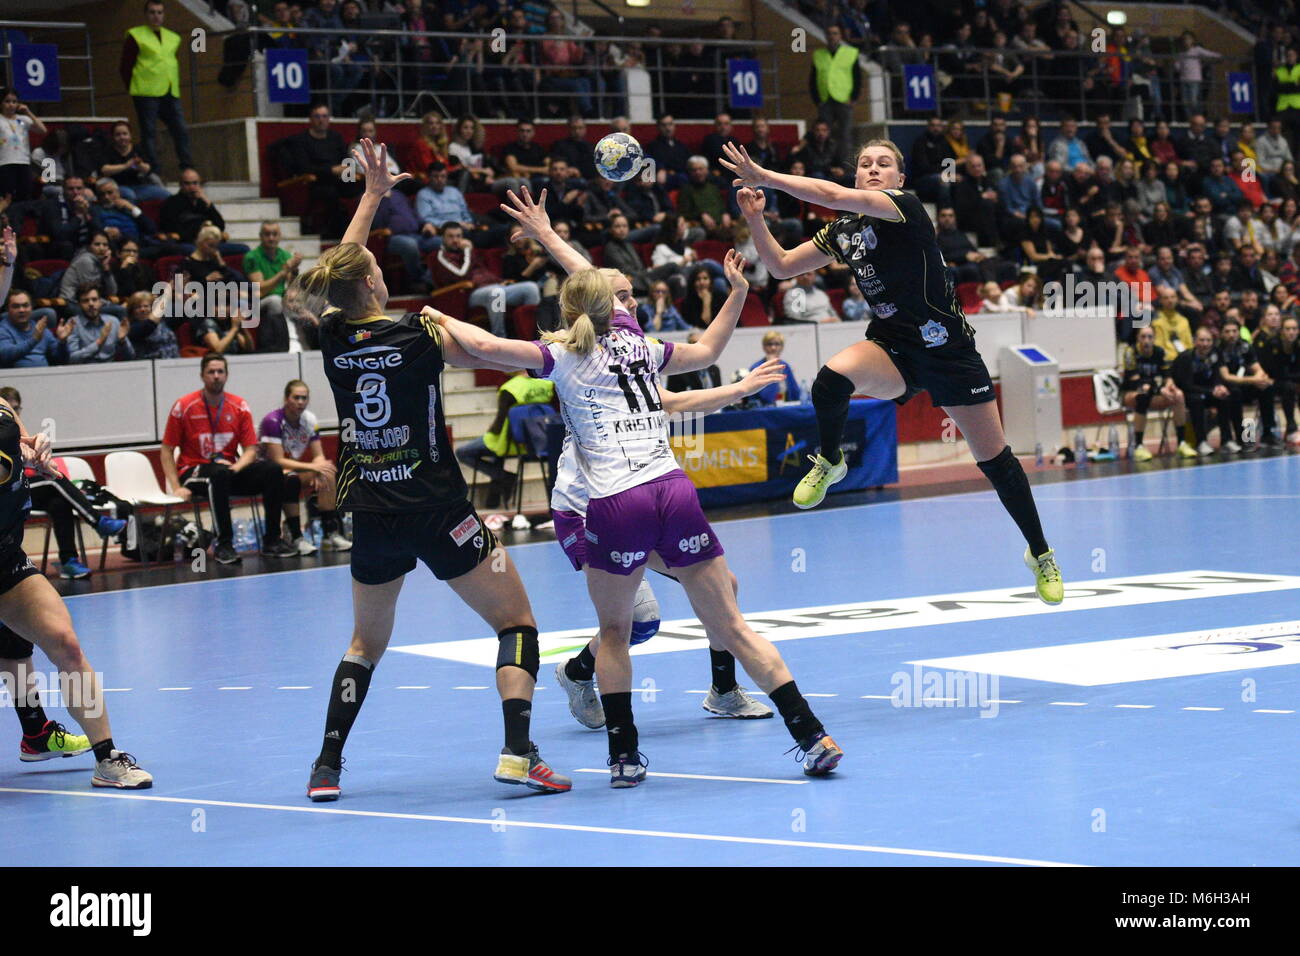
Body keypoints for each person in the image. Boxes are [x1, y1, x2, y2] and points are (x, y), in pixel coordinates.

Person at [433, 239, 844, 784]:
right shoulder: (640, 347)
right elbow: (708, 351)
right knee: (733, 624)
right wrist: (739, 292)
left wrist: (435, 314)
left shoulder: (560, 356)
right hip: (671, 491)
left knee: (616, 631)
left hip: (615, 502)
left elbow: (482, 346)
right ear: (616, 308)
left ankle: (624, 756)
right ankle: (811, 735)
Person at [287, 140, 571, 801]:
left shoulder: (333, 338)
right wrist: (560, 352)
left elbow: (336, 278)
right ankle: (518, 751)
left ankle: (326, 766)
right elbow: (502, 355)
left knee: (365, 642)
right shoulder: (422, 332)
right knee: (518, 624)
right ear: (374, 284)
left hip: (373, 514)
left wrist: (370, 196)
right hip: (441, 511)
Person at [720, 137, 1064, 604]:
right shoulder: (843, 231)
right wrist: (756, 218)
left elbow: (834, 196)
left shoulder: (905, 205)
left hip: (949, 352)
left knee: (996, 462)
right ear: (857, 173)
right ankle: (831, 461)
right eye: (865, 164)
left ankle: (1040, 553)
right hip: (894, 347)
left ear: (898, 178)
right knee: (831, 379)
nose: (874, 169)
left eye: (884, 164)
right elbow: (780, 267)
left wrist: (767, 176)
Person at [0, 247, 151, 784]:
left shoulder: (2, 410)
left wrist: (32, 446)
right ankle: (35, 731)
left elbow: (18, 442)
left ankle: (107, 757)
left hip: (4, 562)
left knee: (65, 644)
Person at [159, 353, 297, 564]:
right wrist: (176, 486)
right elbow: (167, 450)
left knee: (272, 469)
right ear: (202, 376)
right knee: (219, 475)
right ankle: (223, 544)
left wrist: (236, 468)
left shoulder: (239, 405)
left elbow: (250, 449)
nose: (216, 376)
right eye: (211, 372)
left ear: (226, 375)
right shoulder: (184, 406)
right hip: (194, 471)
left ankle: (272, 540)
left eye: (220, 372)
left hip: (228, 470)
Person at [259, 379, 350, 555]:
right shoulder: (273, 421)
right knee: (290, 479)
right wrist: (313, 467)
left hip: (295, 469)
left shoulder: (309, 419)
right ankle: (296, 537)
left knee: (328, 473)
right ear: (287, 399)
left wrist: (319, 470)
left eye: (304, 398)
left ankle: (330, 533)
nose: (301, 402)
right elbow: (278, 460)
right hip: (270, 473)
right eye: (296, 397)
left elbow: (319, 456)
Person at [456, 371, 556, 511]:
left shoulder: (509, 388)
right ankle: (497, 492)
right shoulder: (546, 384)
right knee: (496, 456)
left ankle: (504, 476)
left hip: (508, 442)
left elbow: (499, 424)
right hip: (537, 442)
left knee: (462, 452)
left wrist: (489, 432)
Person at [119, 0, 193, 177]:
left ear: (164, 15)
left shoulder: (173, 37)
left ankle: (187, 166)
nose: (156, 16)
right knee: (149, 132)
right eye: (152, 12)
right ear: (146, 15)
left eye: (159, 12)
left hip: (169, 90)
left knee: (180, 129)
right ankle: (153, 169)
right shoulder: (136, 35)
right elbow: (126, 65)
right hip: (145, 91)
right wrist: (132, 86)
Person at [1121, 325, 1191, 461]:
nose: (1146, 340)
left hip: (1154, 392)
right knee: (1143, 396)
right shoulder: (1130, 352)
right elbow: (1137, 382)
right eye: (1143, 337)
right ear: (1137, 338)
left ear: (1154, 339)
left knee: (1179, 395)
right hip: (1130, 393)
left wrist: (1170, 386)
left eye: (1150, 337)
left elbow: (1167, 375)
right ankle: (1138, 446)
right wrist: (1159, 390)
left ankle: (1181, 443)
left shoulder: (1159, 352)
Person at [1171, 326, 1238, 456]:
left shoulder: (1216, 354)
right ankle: (1201, 442)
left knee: (1225, 397)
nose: (1205, 344)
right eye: (1202, 340)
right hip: (1189, 394)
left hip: (1208, 392)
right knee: (1197, 399)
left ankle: (1227, 440)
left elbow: (1218, 375)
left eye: (1208, 340)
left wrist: (1219, 387)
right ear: (1195, 341)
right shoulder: (1185, 358)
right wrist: (1211, 391)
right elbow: (1187, 385)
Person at [243, 221, 304, 352]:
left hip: (281, 300)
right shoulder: (252, 257)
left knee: (308, 299)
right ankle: (282, 348)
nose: (271, 238)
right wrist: (284, 271)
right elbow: (261, 289)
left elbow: (291, 286)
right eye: (267, 234)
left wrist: (293, 270)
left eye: (274, 234)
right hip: (258, 302)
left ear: (280, 236)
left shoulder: (285, 255)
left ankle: (312, 346)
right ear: (260, 236)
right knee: (275, 301)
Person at [1217, 316, 1269, 452]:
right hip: (1225, 387)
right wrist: (1253, 380)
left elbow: (1257, 368)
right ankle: (1241, 439)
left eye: (1234, 331)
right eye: (1227, 332)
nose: (1231, 335)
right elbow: (1226, 376)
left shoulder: (1245, 346)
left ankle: (1268, 434)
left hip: (1244, 384)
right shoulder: (1218, 349)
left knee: (1266, 389)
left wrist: (1262, 378)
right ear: (1221, 333)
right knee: (1235, 393)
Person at [96, 120, 169, 203]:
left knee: (165, 194)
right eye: (118, 135)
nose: (122, 137)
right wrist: (126, 165)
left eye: (125, 134)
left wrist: (140, 165)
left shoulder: (138, 149)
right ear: (113, 137)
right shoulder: (108, 150)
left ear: (130, 135)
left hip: (139, 186)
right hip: (117, 187)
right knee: (129, 195)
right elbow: (104, 170)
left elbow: (148, 169)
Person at [0, 289, 68, 368]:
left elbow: (60, 359)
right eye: (16, 306)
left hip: (44, 376)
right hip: (14, 377)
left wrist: (62, 342)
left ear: (31, 308)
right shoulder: (3, 329)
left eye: (25, 306)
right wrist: (34, 340)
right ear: (7, 309)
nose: (21, 310)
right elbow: (5, 355)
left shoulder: (41, 329)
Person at [66, 285, 133, 364]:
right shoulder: (73, 323)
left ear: (100, 302)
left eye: (94, 299)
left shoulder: (113, 322)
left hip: (111, 370)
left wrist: (122, 341)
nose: (91, 304)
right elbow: (73, 358)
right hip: (84, 371)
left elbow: (131, 356)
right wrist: (99, 342)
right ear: (79, 304)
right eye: (85, 301)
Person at [0, 87, 46, 202]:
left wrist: (28, 112)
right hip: (5, 162)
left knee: (24, 194)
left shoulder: (23, 119)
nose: (11, 105)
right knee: (7, 195)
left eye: (14, 102)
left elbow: (42, 130)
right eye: (7, 101)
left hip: (23, 161)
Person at [750, 331, 800, 404]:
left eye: (777, 344)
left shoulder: (785, 366)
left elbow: (795, 395)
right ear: (763, 347)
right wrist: (773, 370)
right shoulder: (757, 368)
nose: (773, 347)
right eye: (769, 344)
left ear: (782, 347)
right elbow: (767, 398)